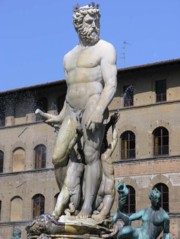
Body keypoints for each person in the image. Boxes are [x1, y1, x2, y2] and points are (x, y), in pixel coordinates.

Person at [36, 3, 117, 219]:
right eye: (90, 22)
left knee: (91, 156)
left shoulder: (106, 48)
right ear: (78, 25)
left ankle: (87, 208)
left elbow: (111, 84)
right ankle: (72, 197)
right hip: (71, 111)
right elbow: (71, 91)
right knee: (57, 157)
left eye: (97, 21)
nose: (95, 26)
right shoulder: (67, 57)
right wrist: (58, 117)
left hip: (93, 105)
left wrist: (100, 109)